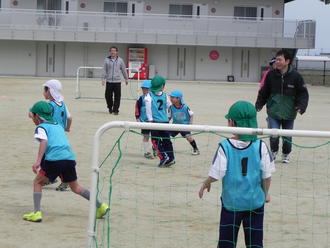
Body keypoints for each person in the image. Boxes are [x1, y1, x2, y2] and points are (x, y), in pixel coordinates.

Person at [199, 101, 275, 248]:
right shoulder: (261, 146)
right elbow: (267, 176)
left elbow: (216, 174)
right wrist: (265, 193)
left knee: (227, 242)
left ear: (232, 123)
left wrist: (206, 182)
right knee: (255, 242)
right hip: (255, 203)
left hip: (231, 204)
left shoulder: (225, 146)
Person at [23, 101, 109, 222]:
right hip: (69, 158)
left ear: (37, 116)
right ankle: (101, 206)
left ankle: (36, 213)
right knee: (76, 188)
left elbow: (44, 142)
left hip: (54, 160)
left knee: (37, 182)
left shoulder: (41, 127)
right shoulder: (58, 125)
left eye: (33, 116)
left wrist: (38, 161)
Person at [255, 49, 309, 163]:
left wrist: (301, 106)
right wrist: (259, 104)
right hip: (273, 112)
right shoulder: (270, 75)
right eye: (276, 59)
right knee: (273, 134)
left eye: (280, 59)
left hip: (289, 113)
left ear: (287, 61)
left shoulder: (296, 76)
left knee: (287, 137)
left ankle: (285, 154)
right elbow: (264, 92)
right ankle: (273, 152)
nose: (277, 62)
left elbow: (303, 93)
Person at [42, 79, 72, 191]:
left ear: (49, 91)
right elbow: (69, 118)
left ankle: (64, 180)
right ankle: (50, 177)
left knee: (53, 159)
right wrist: (67, 128)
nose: (43, 93)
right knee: (48, 159)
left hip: (51, 136)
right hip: (60, 134)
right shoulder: (62, 104)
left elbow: (43, 119)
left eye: (44, 90)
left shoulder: (49, 105)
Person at [144, 76, 175, 167]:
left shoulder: (149, 96)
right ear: (162, 86)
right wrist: (169, 117)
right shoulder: (165, 95)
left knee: (155, 141)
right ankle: (171, 157)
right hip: (165, 122)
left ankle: (163, 157)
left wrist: (150, 121)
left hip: (154, 122)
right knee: (167, 141)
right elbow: (170, 107)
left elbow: (148, 109)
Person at [169, 90, 200, 155]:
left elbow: (191, 115)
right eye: (170, 97)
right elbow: (169, 117)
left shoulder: (185, 107)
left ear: (178, 99)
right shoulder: (171, 107)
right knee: (166, 135)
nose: (171, 99)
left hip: (184, 126)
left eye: (172, 97)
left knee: (189, 137)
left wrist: (190, 125)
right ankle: (165, 148)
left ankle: (196, 149)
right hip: (175, 126)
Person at [102, 46, 128, 115]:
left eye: (114, 51)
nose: (112, 52)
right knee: (107, 96)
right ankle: (110, 107)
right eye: (111, 51)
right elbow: (104, 70)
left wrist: (126, 78)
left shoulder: (120, 60)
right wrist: (103, 79)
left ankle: (116, 110)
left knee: (117, 96)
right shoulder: (106, 60)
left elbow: (123, 70)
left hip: (117, 82)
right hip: (109, 81)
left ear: (117, 52)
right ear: (110, 52)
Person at [135, 80, 154, 159]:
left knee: (155, 136)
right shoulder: (141, 98)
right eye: (143, 89)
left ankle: (156, 149)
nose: (144, 90)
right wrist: (137, 118)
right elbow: (137, 108)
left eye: (147, 89)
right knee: (146, 136)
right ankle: (147, 152)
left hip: (154, 121)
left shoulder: (154, 98)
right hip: (144, 121)